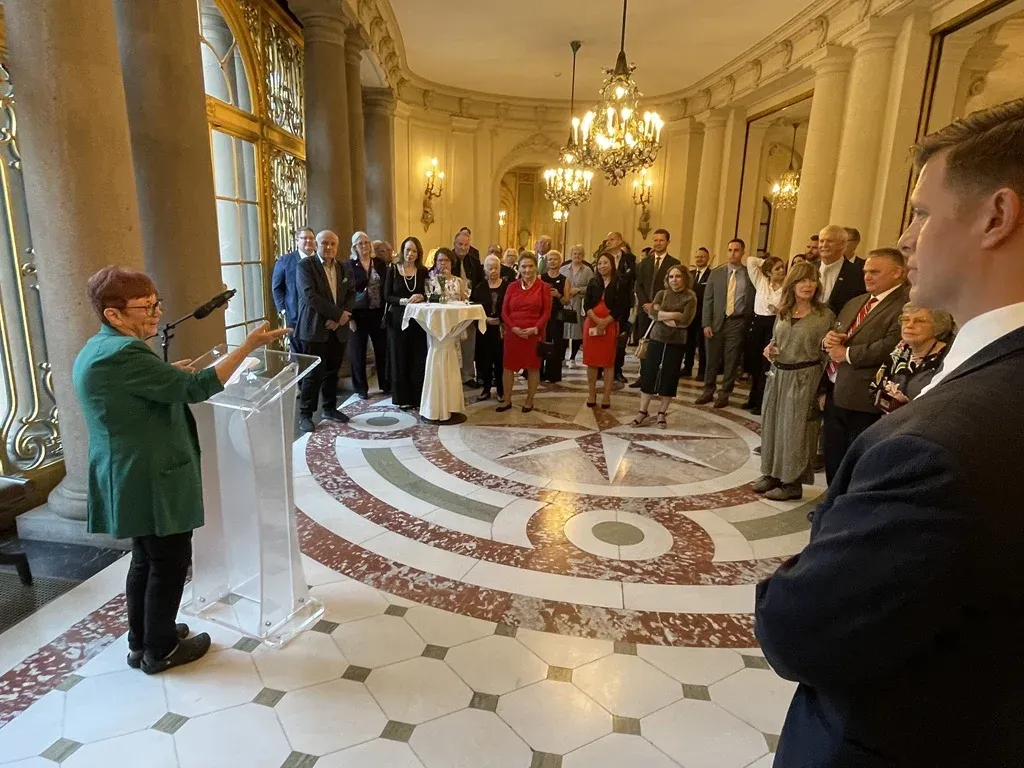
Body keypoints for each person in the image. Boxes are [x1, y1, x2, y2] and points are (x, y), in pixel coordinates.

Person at [756, 97, 1024, 768]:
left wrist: (798, 567)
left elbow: (797, 629)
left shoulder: (934, 446)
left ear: (996, 216)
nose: (905, 239)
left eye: (922, 213)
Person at [73, 266, 288, 674]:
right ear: (113, 314)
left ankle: (143, 640)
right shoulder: (124, 353)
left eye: (157, 303)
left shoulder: (100, 347)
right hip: (149, 474)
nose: (157, 312)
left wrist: (171, 375)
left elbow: (139, 392)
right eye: (145, 306)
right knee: (169, 560)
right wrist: (247, 347)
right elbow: (195, 389)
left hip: (130, 470)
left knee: (146, 558)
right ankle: (161, 650)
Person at [821, 248, 910, 484]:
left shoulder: (905, 305)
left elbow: (892, 345)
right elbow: (838, 332)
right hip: (835, 388)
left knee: (855, 458)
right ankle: (832, 495)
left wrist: (847, 354)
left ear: (897, 273)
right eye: (865, 272)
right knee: (833, 451)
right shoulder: (856, 301)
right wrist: (828, 339)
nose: (867, 277)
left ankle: (847, 500)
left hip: (865, 396)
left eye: (875, 272)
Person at [753, 262, 834, 501]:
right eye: (802, 280)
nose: (808, 285)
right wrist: (770, 348)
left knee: (796, 431)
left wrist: (823, 389)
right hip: (778, 375)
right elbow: (777, 339)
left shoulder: (824, 316)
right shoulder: (784, 311)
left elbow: (829, 354)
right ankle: (772, 473)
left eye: (812, 280)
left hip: (804, 378)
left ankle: (792, 483)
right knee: (773, 426)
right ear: (792, 284)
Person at [297, 230, 354, 432]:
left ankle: (329, 408)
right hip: (315, 328)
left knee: (332, 372)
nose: (328, 247)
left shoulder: (343, 267)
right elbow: (309, 296)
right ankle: (305, 414)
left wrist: (340, 318)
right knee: (313, 374)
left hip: (338, 330)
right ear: (316, 244)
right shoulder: (305, 266)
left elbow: (351, 293)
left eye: (332, 244)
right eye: (324, 243)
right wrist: (337, 315)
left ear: (337, 246)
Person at [631, 265, 696, 428]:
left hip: (676, 342)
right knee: (649, 374)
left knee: (670, 377)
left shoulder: (690, 297)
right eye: (671, 276)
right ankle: (642, 411)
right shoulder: (662, 294)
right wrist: (674, 315)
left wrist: (662, 315)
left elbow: (685, 321)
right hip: (656, 339)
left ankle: (662, 413)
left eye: (678, 276)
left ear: (685, 278)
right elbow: (653, 314)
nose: (674, 280)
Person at [695, 238, 754, 409]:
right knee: (711, 360)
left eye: (736, 250)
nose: (732, 253)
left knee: (731, 360)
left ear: (742, 252)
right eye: (730, 250)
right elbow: (708, 300)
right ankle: (708, 390)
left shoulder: (749, 275)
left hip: (737, 322)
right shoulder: (716, 273)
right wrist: (706, 323)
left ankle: (724, 394)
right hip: (715, 322)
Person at [870, 304, 954, 412]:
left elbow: (945, 402)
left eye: (919, 321)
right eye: (905, 319)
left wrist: (908, 406)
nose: (909, 325)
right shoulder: (901, 349)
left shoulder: (948, 356)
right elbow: (875, 387)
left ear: (937, 327)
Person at [497, 252, 551, 412]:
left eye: (530, 266)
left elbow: (546, 312)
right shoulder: (512, 286)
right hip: (513, 333)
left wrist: (535, 328)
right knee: (508, 367)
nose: (527, 270)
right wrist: (513, 328)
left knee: (533, 367)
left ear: (536, 267)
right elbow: (504, 311)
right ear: (519, 268)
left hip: (533, 333)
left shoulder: (544, 287)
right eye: (524, 266)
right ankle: (507, 400)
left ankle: (529, 400)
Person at [384, 236, 428, 410]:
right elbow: (387, 296)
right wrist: (404, 301)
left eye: (414, 251)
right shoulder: (393, 269)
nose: (410, 254)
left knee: (417, 357)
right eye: (408, 250)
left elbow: (429, 292)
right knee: (399, 357)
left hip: (418, 320)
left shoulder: (422, 271)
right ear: (402, 251)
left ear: (418, 254)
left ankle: (417, 397)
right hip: (397, 319)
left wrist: (422, 296)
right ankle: (402, 398)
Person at [632, 228, 680, 388]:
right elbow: (638, 285)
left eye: (661, 240)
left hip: (663, 311)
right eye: (655, 240)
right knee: (644, 342)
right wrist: (645, 303)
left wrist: (659, 305)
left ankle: (657, 378)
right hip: (645, 310)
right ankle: (644, 376)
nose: (658, 243)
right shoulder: (644, 263)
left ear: (667, 242)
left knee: (659, 344)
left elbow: (674, 287)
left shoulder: (674, 263)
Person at [583, 252, 631, 408]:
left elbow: (622, 307)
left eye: (605, 263)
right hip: (592, 324)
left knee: (608, 362)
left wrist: (605, 322)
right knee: (591, 361)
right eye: (599, 263)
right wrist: (597, 321)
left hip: (610, 325)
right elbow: (586, 305)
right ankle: (591, 393)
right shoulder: (593, 282)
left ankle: (606, 395)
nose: (602, 266)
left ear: (612, 264)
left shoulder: (620, 283)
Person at [346, 231, 390, 400]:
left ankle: (385, 384)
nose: (364, 246)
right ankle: (361, 388)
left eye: (366, 242)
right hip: (358, 315)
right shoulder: (349, 265)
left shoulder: (379, 263)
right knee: (358, 352)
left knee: (382, 350)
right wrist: (349, 318)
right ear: (354, 247)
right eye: (360, 243)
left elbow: (386, 286)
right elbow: (346, 293)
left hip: (378, 312)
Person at [743, 255, 786, 414]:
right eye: (777, 268)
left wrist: (778, 310)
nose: (781, 270)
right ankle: (753, 398)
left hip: (773, 325)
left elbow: (788, 308)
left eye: (782, 267)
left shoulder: (786, 287)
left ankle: (762, 403)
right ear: (768, 272)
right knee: (754, 363)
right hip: (757, 325)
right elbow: (750, 260)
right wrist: (766, 263)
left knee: (766, 365)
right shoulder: (760, 281)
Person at [271, 226, 316, 353]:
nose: (308, 241)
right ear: (297, 241)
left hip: (318, 316)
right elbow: (277, 287)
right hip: (295, 315)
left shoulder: (321, 260)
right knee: (298, 353)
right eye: (304, 238)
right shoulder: (285, 260)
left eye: (311, 238)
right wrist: (283, 310)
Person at [471, 254, 508, 402]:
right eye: (490, 268)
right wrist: (485, 319)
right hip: (484, 329)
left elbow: (511, 307)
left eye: (496, 268)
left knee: (500, 361)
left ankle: (501, 390)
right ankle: (486, 389)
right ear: (485, 270)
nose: (493, 271)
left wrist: (501, 320)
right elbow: (472, 309)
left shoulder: (507, 287)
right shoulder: (479, 288)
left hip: (501, 330)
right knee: (484, 360)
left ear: (500, 269)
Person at [604, 231, 636, 383]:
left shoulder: (629, 259)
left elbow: (630, 278)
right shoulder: (604, 257)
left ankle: (617, 370)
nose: (608, 242)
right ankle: (601, 368)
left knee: (620, 338)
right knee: (604, 336)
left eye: (612, 239)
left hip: (623, 303)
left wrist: (616, 278)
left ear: (620, 241)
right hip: (606, 302)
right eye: (608, 240)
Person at [818, 224, 866, 316]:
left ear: (843, 245)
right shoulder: (809, 269)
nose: (824, 245)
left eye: (830, 241)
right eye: (821, 241)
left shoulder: (857, 273)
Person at [560, 244, 594, 367]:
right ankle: (562, 357)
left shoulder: (587, 270)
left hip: (579, 304)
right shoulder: (563, 269)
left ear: (583, 256)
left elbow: (592, 287)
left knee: (576, 332)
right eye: (575, 253)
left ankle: (572, 358)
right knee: (563, 331)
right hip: (565, 303)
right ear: (571, 255)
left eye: (579, 254)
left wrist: (579, 290)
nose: (577, 256)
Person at [540, 249, 569, 383]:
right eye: (550, 259)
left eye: (555, 259)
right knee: (541, 341)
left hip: (557, 316)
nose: (552, 261)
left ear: (560, 262)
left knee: (556, 344)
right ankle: (538, 372)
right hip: (542, 315)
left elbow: (566, 301)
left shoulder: (564, 279)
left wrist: (558, 295)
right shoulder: (541, 278)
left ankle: (553, 374)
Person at [684, 247, 712, 379]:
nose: (699, 259)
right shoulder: (689, 275)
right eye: (697, 257)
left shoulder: (712, 275)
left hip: (703, 314)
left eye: (702, 257)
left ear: (708, 258)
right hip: (690, 315)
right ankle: (687, 368)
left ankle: (702, 371)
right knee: (688, 343)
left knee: (702, 345)